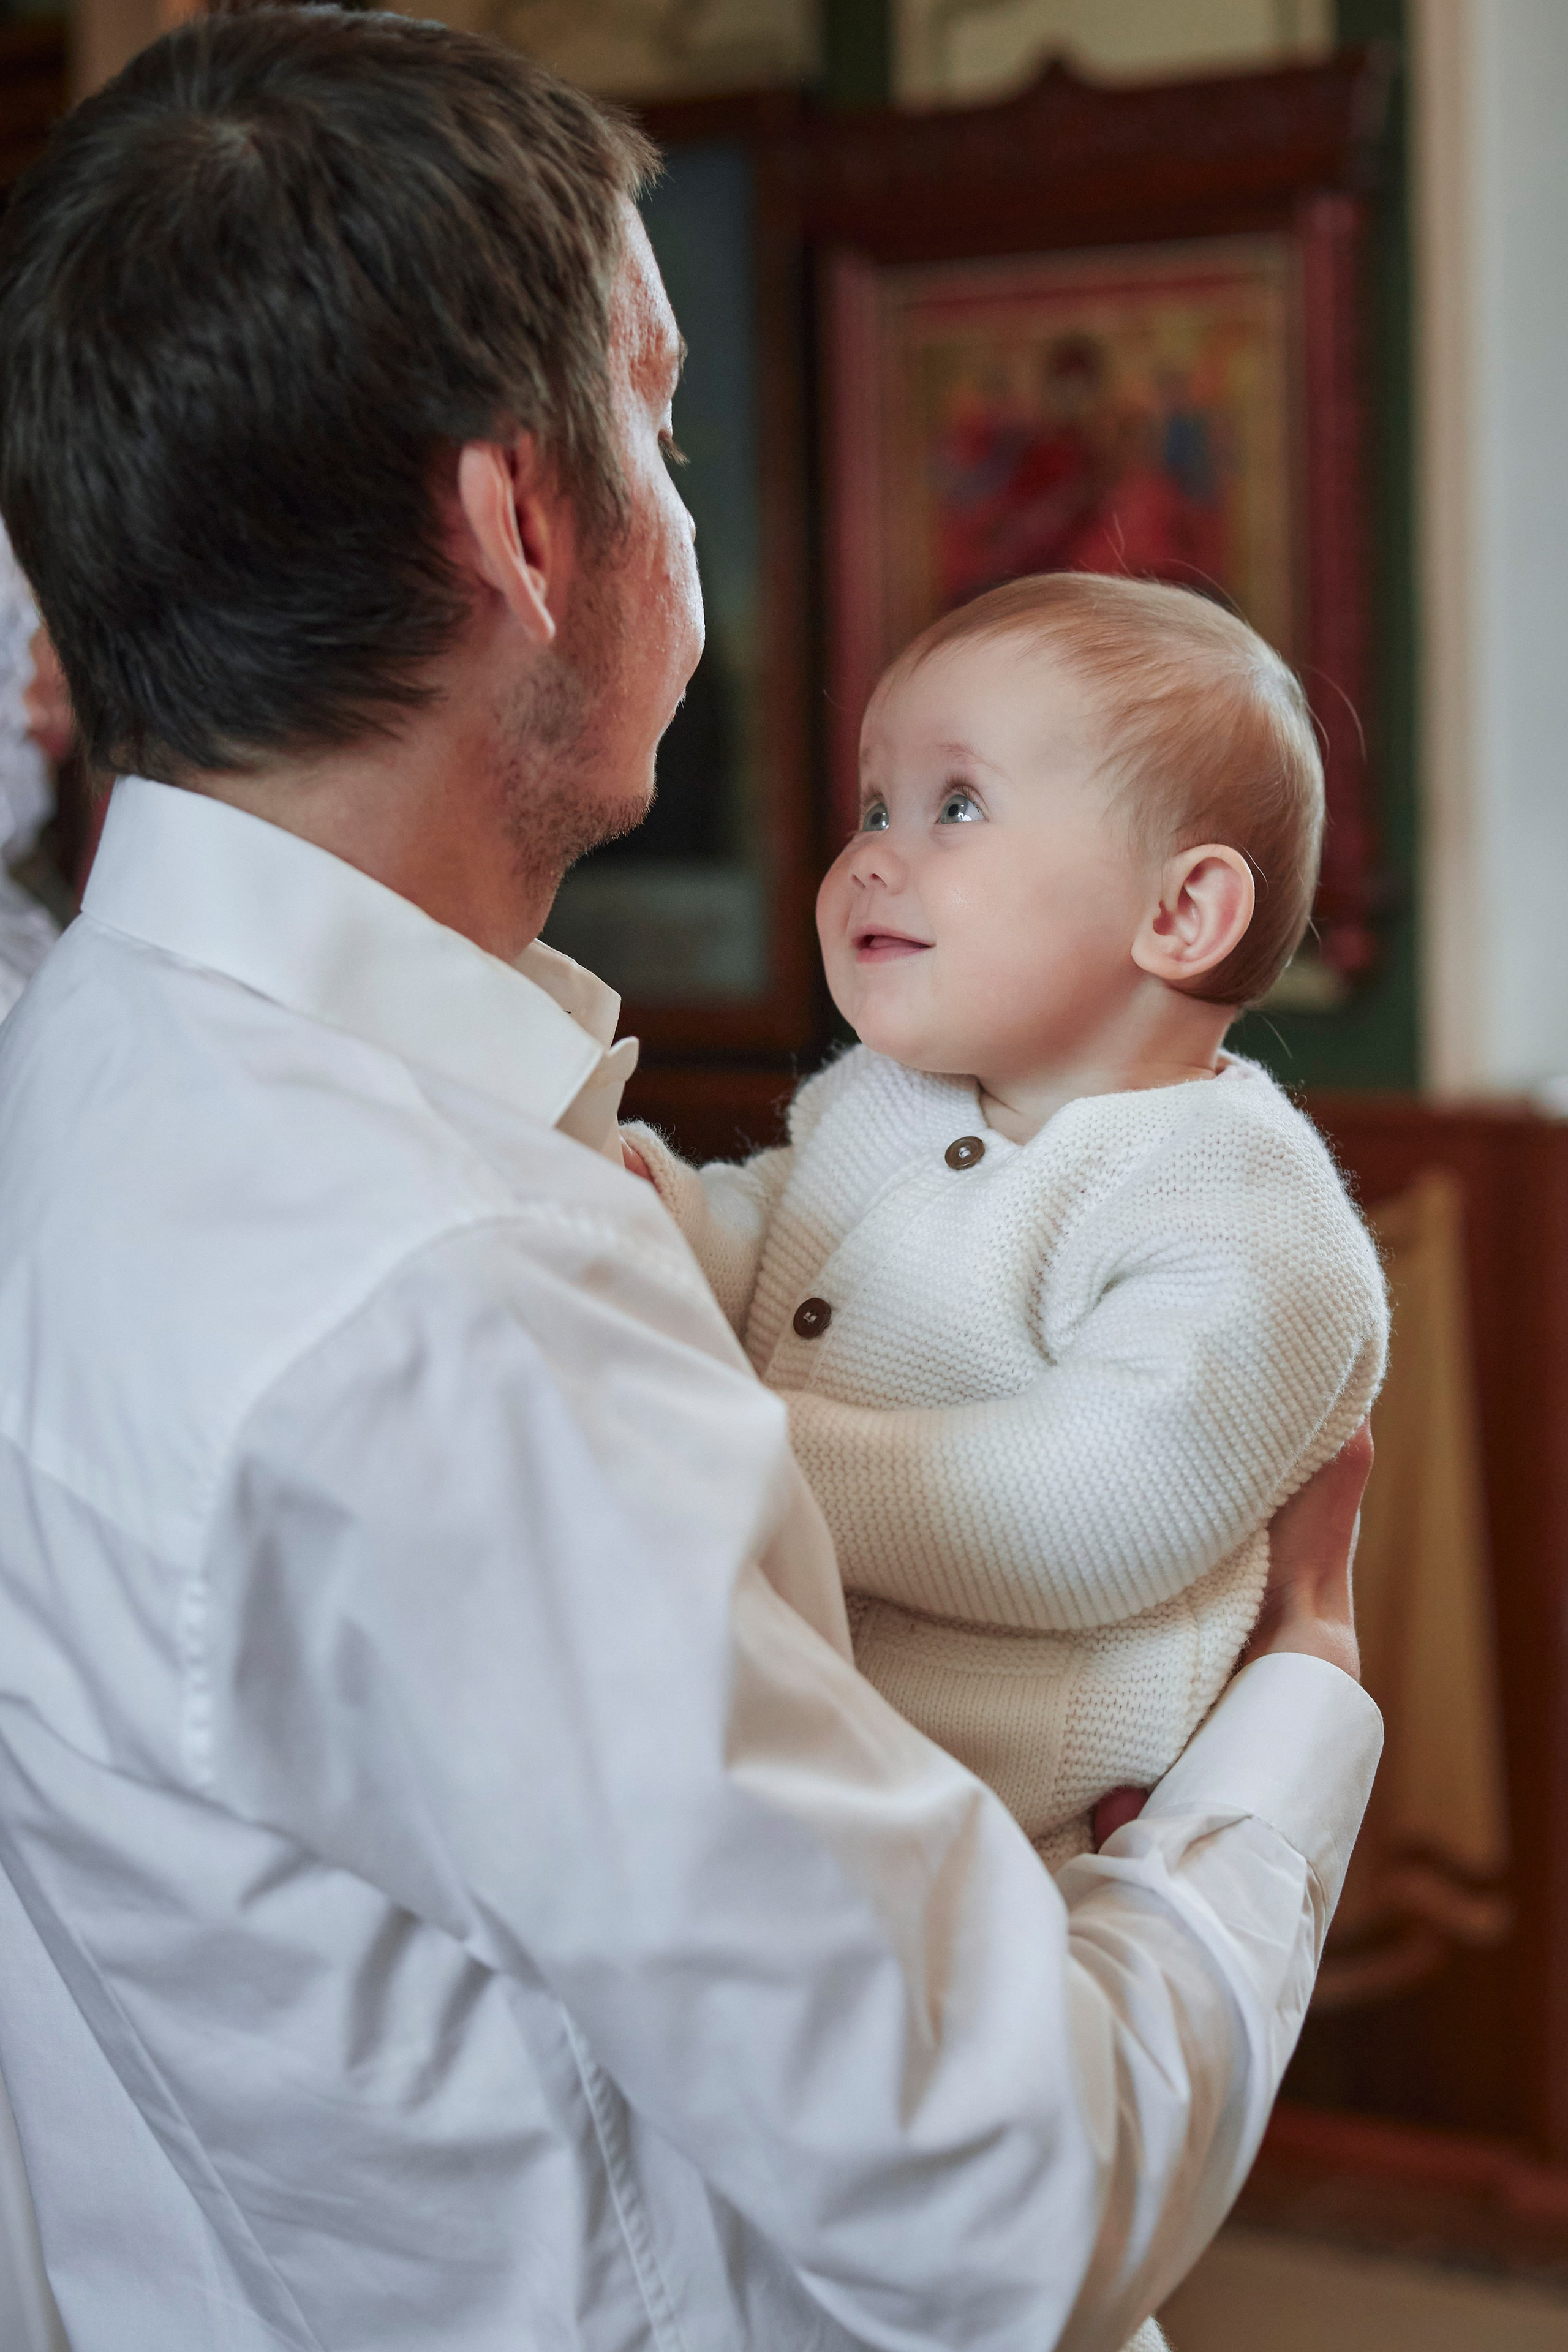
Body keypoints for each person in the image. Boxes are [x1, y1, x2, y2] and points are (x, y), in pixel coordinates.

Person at [0, 12, 1380, 2350]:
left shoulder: (88, 1080)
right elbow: (1012, 2192)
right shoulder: (444, 1314)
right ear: (525, 526)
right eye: (657, 416)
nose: (685, 494)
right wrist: (1306, 1695)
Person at [625, 572, 1388, 1889]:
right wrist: (662, 1217)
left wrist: (727, 1441)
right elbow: (772, 1230)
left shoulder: (1243, 1209)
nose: (869, 852)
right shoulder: (885, 1097)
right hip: (763, 1753)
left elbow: (1082, 1509)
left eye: (954, 806)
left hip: (999, 1843)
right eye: (875, 806)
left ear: (1178, 914)